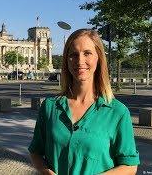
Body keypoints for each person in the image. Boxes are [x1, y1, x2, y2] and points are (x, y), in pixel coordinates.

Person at [28, 29, 140, 175]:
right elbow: (35, 152)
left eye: (87, 53)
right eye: (73, 55)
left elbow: (130, 166)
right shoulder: (49, 107)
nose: (80, 61)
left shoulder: (117, 112)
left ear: (98, 58)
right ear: (66, 61)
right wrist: (45, 171)